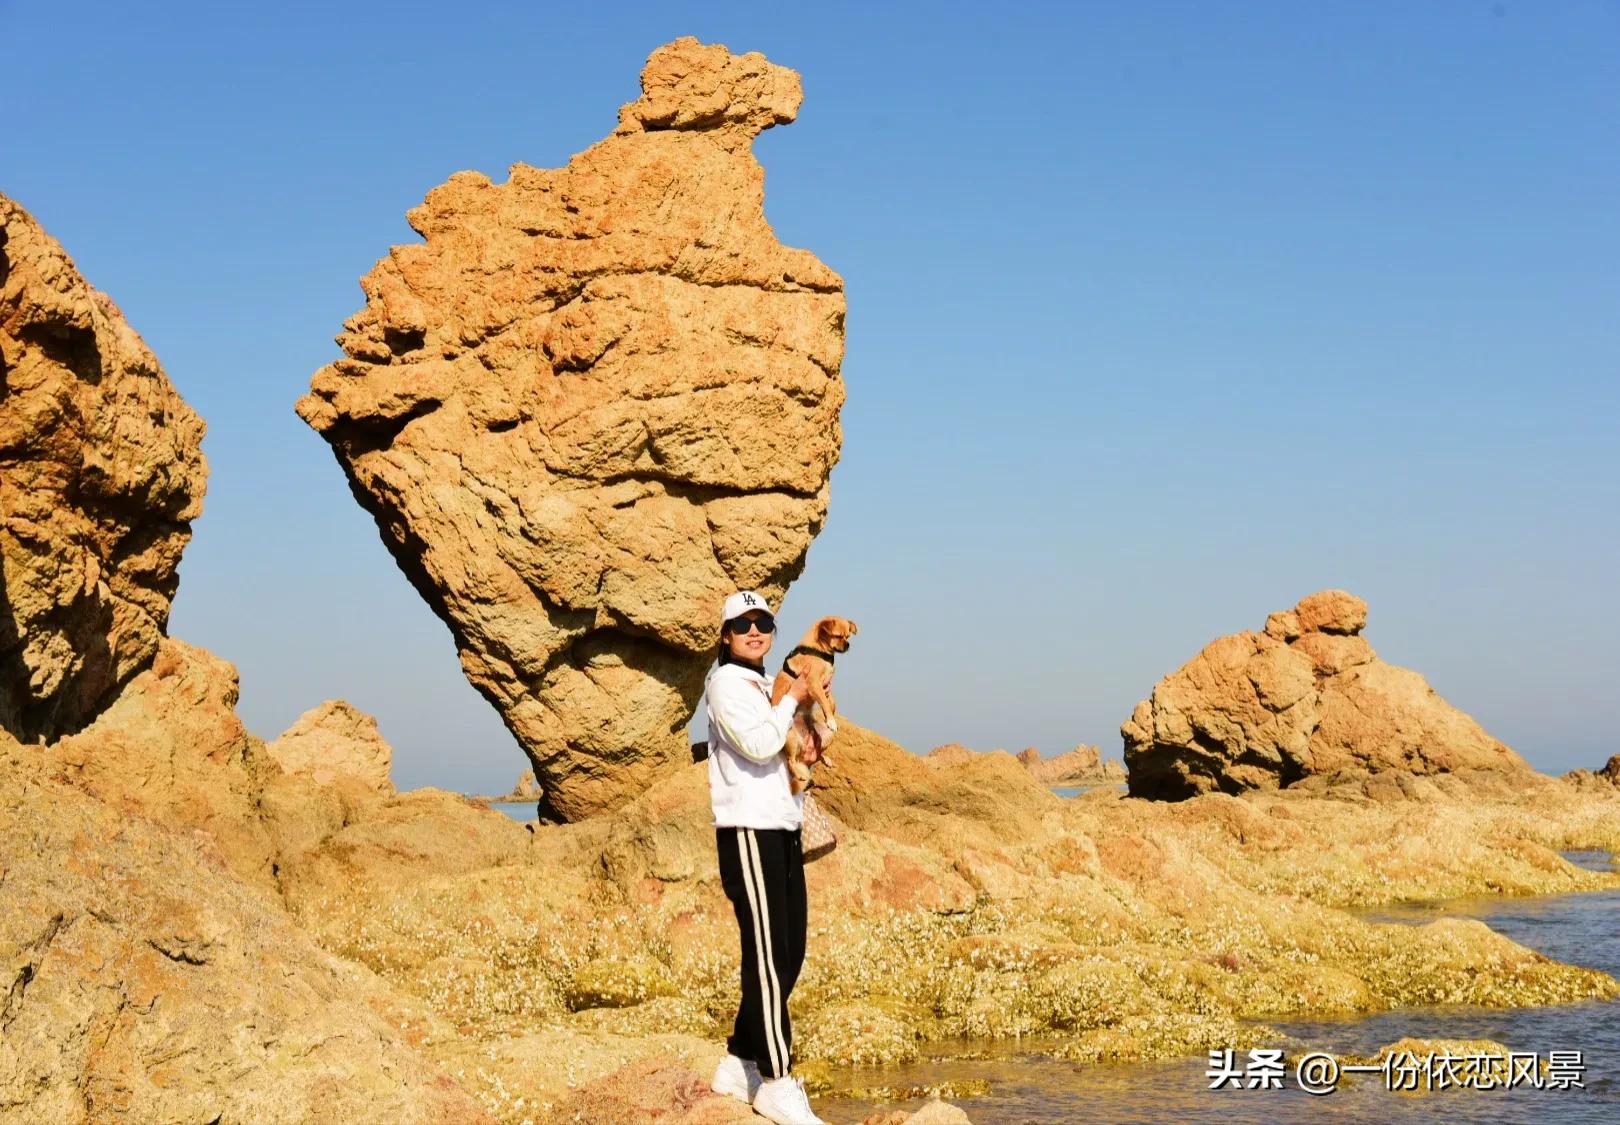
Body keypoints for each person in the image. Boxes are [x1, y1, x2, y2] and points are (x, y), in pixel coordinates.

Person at [705, 589, 825, 1125]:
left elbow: (794, 741)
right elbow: (756, 745)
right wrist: (789, 699)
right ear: (727, 635)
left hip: (783, 825)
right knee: (767, 955)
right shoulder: (725, 684)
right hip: (748, 830)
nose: (755, 631)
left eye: (764, 622)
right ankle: (776, 1079)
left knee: (789, 950)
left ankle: (737, 1059)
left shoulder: (762, 681)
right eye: (743, 624)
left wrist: (813, 724)